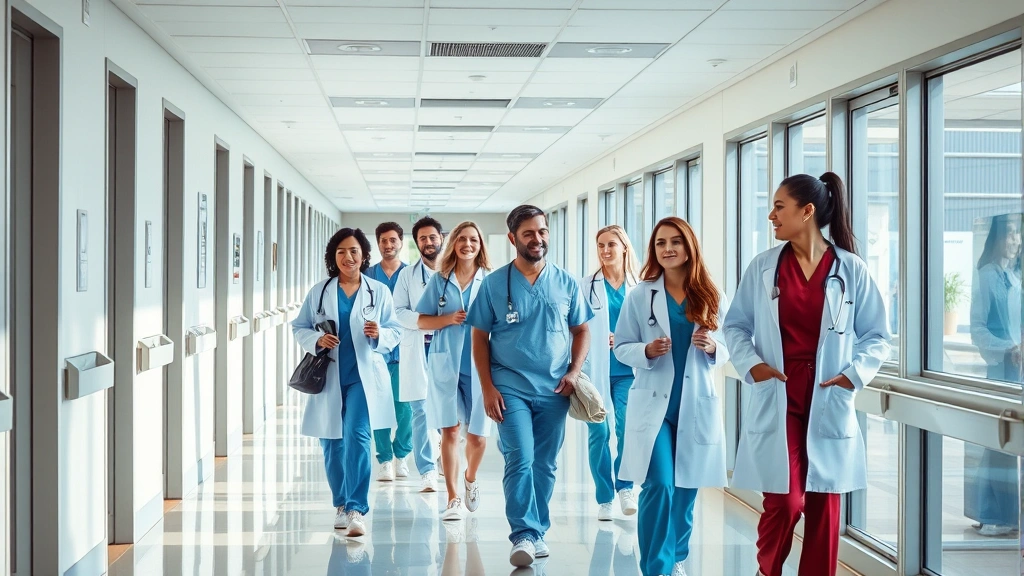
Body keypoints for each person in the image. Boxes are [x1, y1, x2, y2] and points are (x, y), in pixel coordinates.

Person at [724, 173, 890, 576]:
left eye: (779, 207)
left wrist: (854, 374)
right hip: (780, 393)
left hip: (828, 394)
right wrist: (752, 364)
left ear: (807, 211)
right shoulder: (764, 267)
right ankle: (769, 570)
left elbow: (878, 336)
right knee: (785, 501)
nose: (771, 215)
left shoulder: (850, 269)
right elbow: (735, 326)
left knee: (825, 508)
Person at [467, 205, 594, 567]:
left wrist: (573, 371)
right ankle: (522, 533)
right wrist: (488, 388)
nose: (537, 239)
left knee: (545, 464)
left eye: (542, 232)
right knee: (520, 457)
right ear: (512, 239)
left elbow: (582, 329)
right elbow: (479, 337)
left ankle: (537, 531)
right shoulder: (494, 284)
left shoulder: (566, 282)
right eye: (528, 233)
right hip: (509, 385)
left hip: (555, 387)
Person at [613, 217, 729, 576]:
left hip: (694, 404)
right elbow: (622, 347)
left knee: (686, 491)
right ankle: (656, 568)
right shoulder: (641, 294)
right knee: (660, 484)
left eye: (675, 242)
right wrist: (646, 350)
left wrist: (713, 347)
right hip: (654, 407)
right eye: (661, 243)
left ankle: (677, 554)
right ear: (654, 250)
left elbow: (730, 345)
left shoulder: (710, 293)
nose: (668, 249)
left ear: (689, 246)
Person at [291, 227, 403, 538]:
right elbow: (299, 326)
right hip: (329, 377)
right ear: (333, 257)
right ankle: (340, 503)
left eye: (354, 251)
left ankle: (356, 508)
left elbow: (395, 329)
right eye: (341, 251)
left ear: (364, 255)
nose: (348, 257)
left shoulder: (378, 291)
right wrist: (316, 338)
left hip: (363, 379)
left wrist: (380, 334)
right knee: (331, 443)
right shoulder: (320, 291)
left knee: (357, 436)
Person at [416, 221, 493, 521]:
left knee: (477, 437)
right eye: (461, 239)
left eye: (473, 239)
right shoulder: (440, 280)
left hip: (481, 365)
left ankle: (470, 477)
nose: (467, 244)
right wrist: (448, 319)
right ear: (453, 244)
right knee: (449, 430)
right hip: (446, 363)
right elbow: (422, 320)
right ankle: (452, 498)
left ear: (480, 244)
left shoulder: (491, 281)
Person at [580, 224, 641, 521]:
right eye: (601, 245)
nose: (605, 251)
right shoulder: (586, 285)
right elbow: (576, 328)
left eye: (611, 245)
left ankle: (625, 486)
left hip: (629, 369)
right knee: (599, 432)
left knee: (626, 428)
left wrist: (627, 338)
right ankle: (604, 496)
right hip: (596, 369)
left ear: (624, 248)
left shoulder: (640, 285)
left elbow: (652, 326)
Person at [967, 213, 1023, 536]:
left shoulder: (1015, 279)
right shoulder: (987, 276)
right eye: (1010, 234)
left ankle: (1007, 514)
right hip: (1001, 369)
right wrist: (1007, 348)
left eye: (1018, 234)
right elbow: (977, 329)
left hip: (1018, 371)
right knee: (999, 439)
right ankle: (993, 513)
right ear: (997, 238)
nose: (1015, 241)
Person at [393, 216, 446, 493]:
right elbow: (398, 312)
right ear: (417, 243)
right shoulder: (407, 275)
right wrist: (426, 322)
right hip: (418, 347)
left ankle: (442, 455)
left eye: (432, 237)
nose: (428, 242)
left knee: (451, 409)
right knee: (420, 410)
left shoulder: (455, 270)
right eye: (422, 238)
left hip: (446, 347)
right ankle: (426, 470)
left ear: (441, 238)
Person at [366, 222, 410, 482]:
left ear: (401, 243)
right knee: (379, 406)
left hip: (406, 352)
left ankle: (401, 455)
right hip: (376, 353)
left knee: (405, 408)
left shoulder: (411, 275)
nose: (388, 245)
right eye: (383, 240)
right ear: (378, 243)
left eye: (393, 240)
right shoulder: (368, 275)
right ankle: (384, 459)